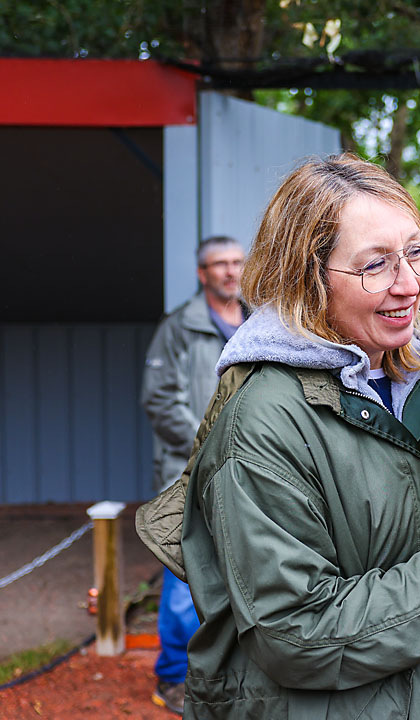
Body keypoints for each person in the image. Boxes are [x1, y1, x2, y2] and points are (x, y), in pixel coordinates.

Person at [176, 154, 420, 719]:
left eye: (416, 252)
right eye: (376, 265)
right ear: (309, 276)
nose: (411, 283)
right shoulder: (263, 422)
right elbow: (295, 633)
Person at [141, 235, 246, 715]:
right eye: (218, 264)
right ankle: (172, 677)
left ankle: (226, 674)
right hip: (190, 469)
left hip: (247, 468)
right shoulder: (179, 327)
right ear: (202, 273)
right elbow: (160, 400)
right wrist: (208, 449)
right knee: (187, 574)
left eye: (236, 262)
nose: (230, 271)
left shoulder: (258, 321)